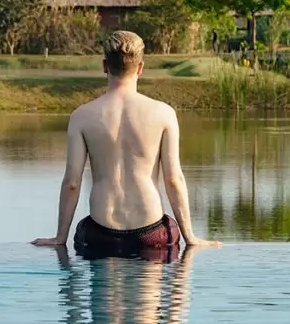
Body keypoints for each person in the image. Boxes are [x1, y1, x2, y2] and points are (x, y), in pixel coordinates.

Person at [31, 31, 221, 252]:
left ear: (104, 66)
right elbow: (173, 180)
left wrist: (59, 237)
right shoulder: (163, 113)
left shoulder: (82, 116)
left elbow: (72, 182)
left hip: (100, 233)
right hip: (151, 232)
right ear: (140, 68)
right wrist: (191, 238)